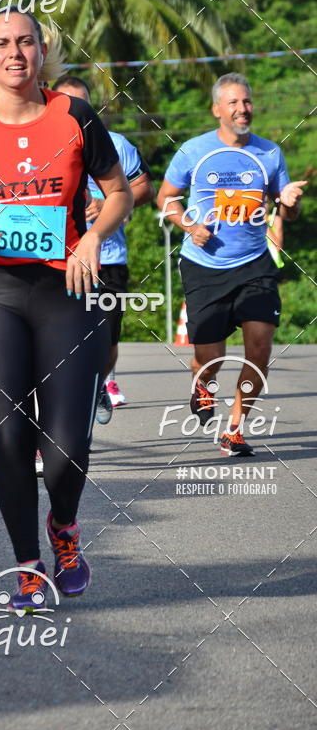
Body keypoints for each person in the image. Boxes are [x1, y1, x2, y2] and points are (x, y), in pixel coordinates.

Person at [0, 8, 133, 609]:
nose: (15, 53)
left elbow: (118, 194)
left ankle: (63, 527)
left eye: (26, 42)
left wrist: (91, 237)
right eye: (2, 44)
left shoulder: (75, 117)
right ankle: (29, 568)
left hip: (66, 291)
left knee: (66, 448)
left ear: (42, 52)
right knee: (9, 437)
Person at [156, 73, 305, 456]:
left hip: (254, 264)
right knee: (211, 359)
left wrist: (288, 199)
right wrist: (188, 224)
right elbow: (165, 198)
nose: (243, 109)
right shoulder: (193, 151)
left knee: (259, 347)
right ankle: (202, 384)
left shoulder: (270, 153)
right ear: (217, 109)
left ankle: (235, 428)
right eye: (234, 103)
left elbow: (287, 213)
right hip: (204, 264)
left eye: (248, 101)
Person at [53, 75, 155, 424]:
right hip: (56, 262)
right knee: (57, 342)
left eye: (82, 105)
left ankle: (98, 384)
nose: (75, 112)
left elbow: (143, 189)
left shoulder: (115, 144)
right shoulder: (41, 146)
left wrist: (106, 207)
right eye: (66, 104)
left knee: (106, 339)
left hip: (107, 259)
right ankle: (58, 417)